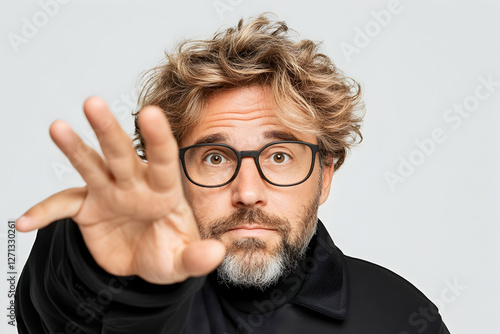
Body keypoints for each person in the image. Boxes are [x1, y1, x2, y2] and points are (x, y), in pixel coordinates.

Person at [15, 14, 450, 334]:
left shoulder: (401, 315)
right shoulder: (125, 296)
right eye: (216, 158)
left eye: (279, 157)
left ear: (325, 176)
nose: (248, 192)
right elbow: (61, 311)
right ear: (175, 177)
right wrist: (92, 264)